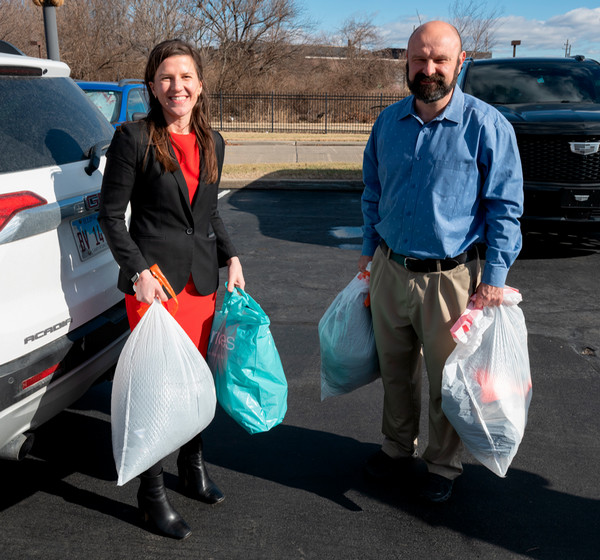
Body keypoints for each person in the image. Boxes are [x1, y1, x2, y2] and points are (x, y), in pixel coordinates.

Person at [358, 21, 523, 502]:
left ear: (460, 61)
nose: (427, 69)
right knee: (394, 370)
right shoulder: (387, 123)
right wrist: (369, 254)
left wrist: (494, 278)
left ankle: (443, 464)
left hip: (452, 279)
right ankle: (395, 447)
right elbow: (372, 192)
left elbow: (505, 208)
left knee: (447, 381)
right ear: (405, 61)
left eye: (439, 60)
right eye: (418, 59)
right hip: (390, 270)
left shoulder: (487, 126)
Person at [99, 39, 244, 539]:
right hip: (154, 288)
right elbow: (110, 216)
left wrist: (233, 256)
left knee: (194, 380)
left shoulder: (213, 141)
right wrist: (137, 271)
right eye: (165, 78)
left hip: (201, 281)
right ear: (152, 86)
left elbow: (210, 211)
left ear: (200, 85)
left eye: (185, 77)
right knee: (158, 387)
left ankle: (192, 465)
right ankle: (151, 494)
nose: (176, 86)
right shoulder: (133, 138)